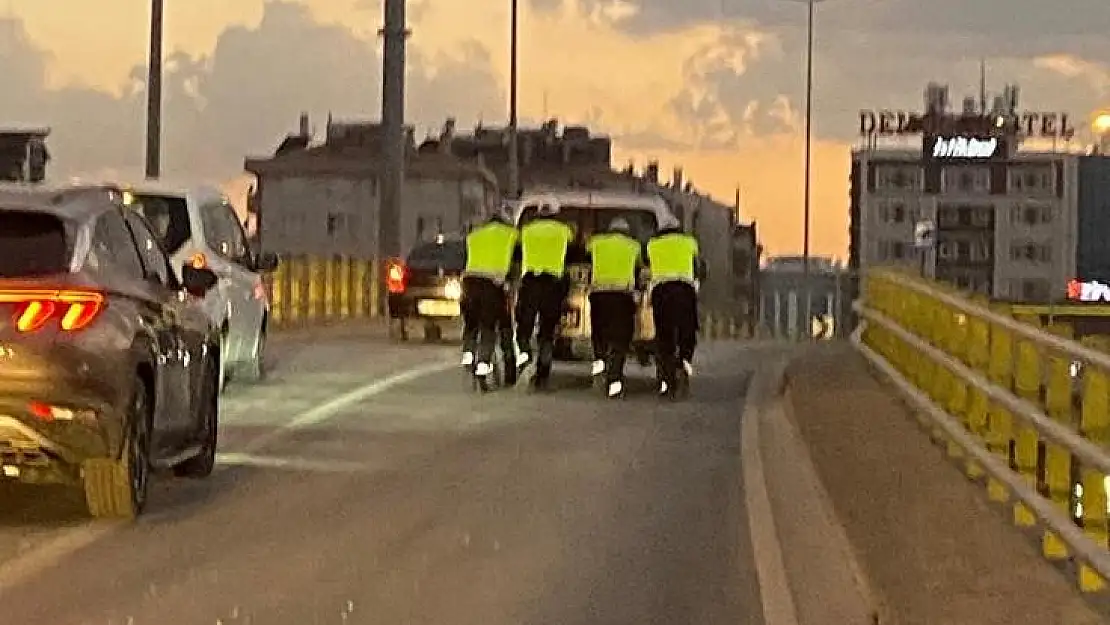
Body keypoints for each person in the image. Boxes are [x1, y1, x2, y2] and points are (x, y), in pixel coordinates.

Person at [514, 201, 575, 390]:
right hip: (553, 285)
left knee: (524, 325)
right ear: (556, 213)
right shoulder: (565, 231)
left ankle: (524, 356)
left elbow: (516, 255)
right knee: (547, 332)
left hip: (531, 281)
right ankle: (543, 372)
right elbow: (572, 254)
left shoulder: (526, 230)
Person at [586, 217, 643, 399]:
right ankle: (615, 381)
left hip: (599, 295)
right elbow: (640, 270)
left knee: (599, 331)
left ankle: (600, 360)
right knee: (621, 339)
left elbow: (584, 258)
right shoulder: (633, 246)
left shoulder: (596, 243)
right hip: (622, 296)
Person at [460, 209, 519, 387]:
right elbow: (516, 263)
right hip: (492, 286)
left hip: (469, 283)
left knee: (471, 324)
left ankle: (468, 353)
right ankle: (483, 365)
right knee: (488, 327)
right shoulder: (512, 234)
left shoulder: (475, 235)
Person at [646, 216, 702, 398]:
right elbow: (698, 267)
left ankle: (667, 377)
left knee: (664, 336)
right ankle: (684, 361)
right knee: (688, 331)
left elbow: (647, 268)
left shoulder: (652, 245)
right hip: (685, 291)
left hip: (661, 292)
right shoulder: (689, 242)